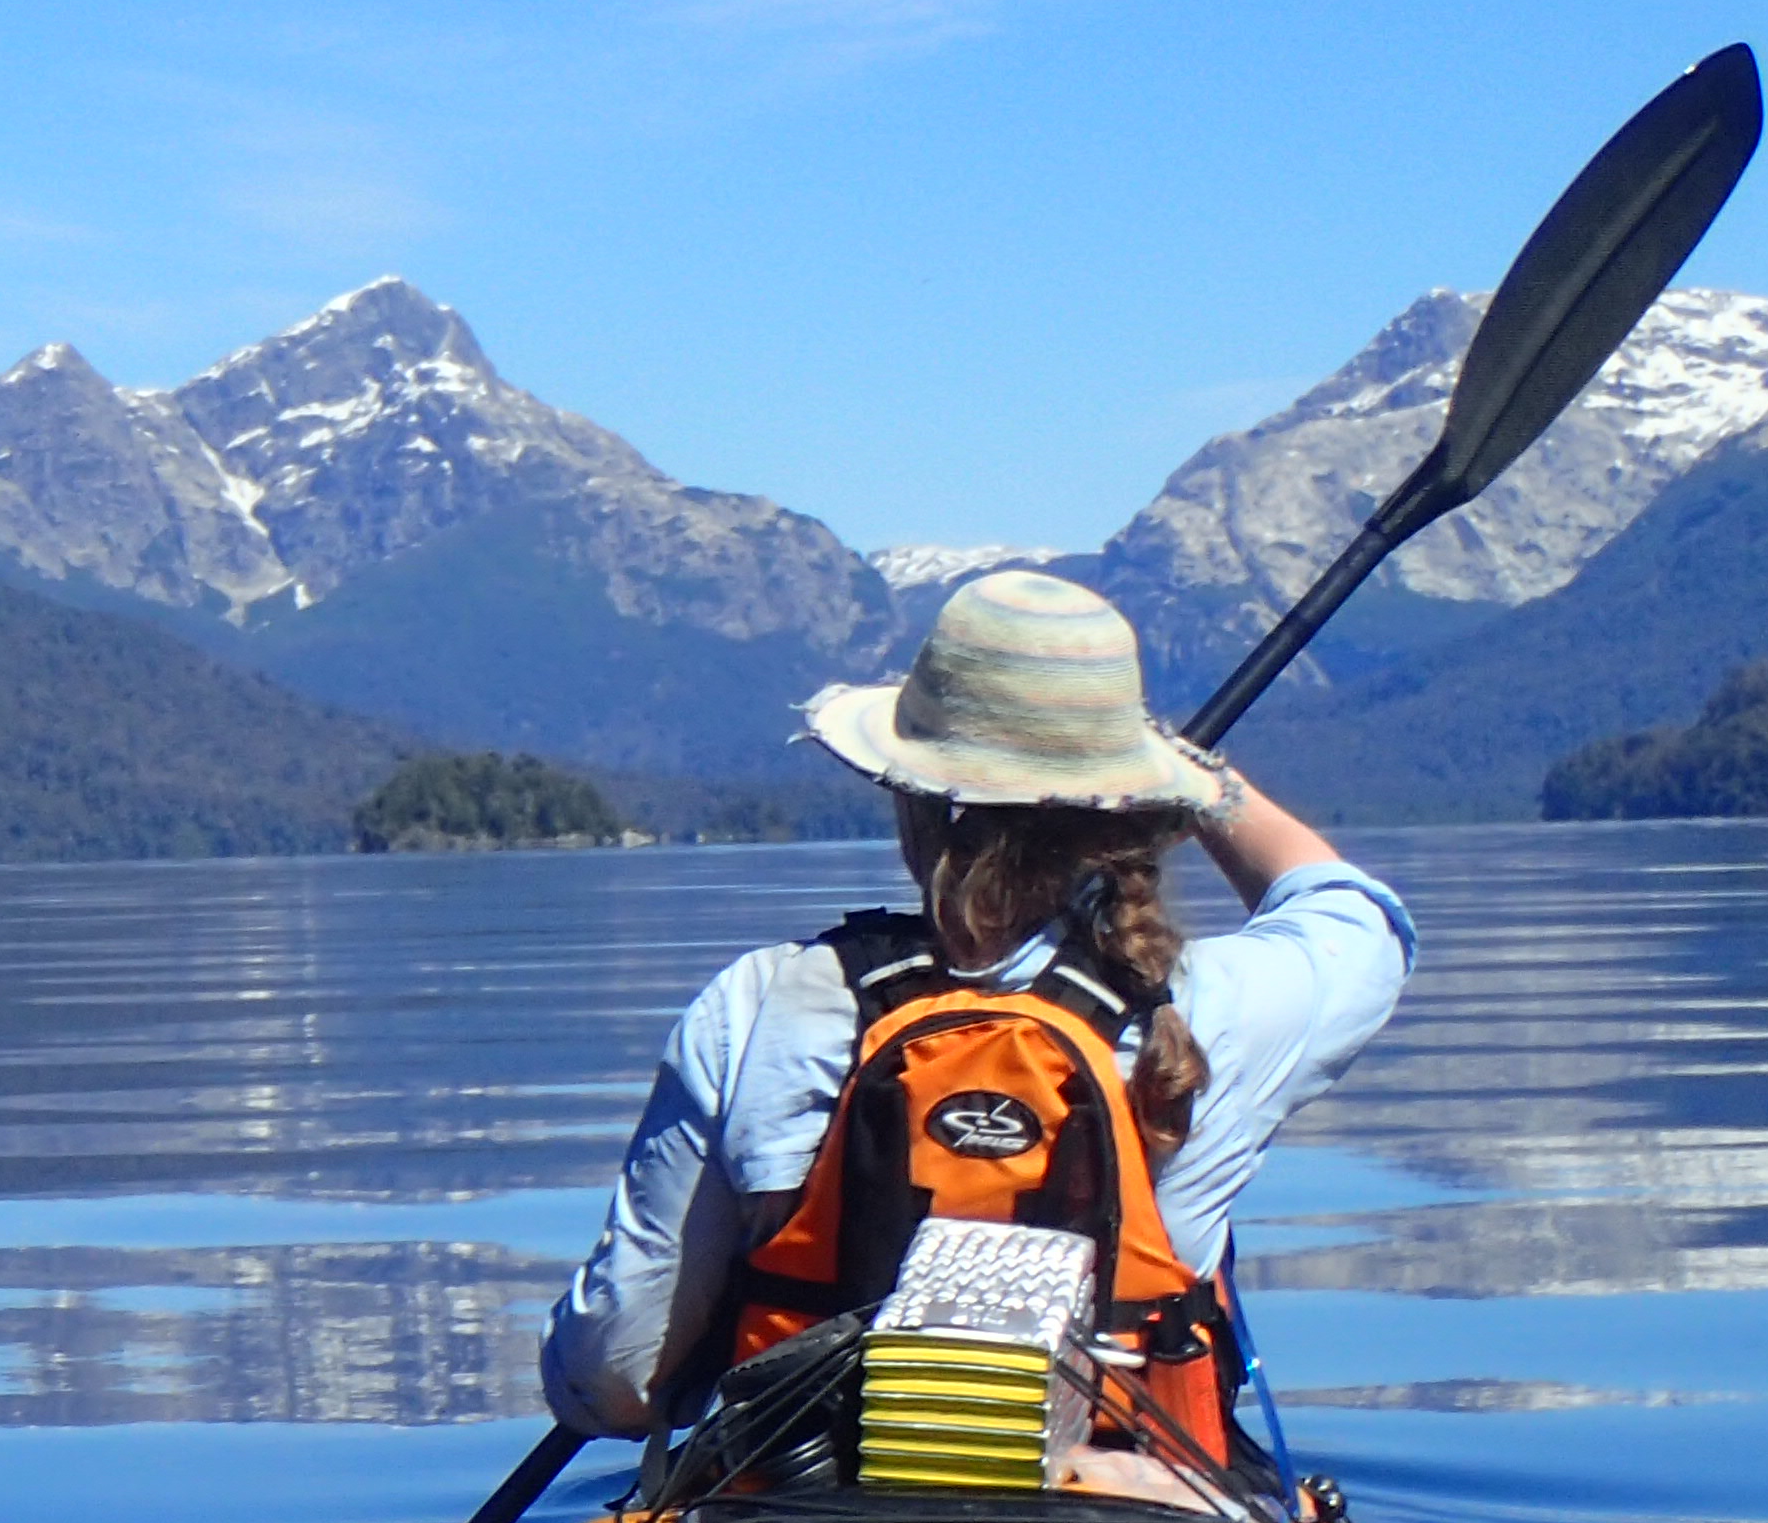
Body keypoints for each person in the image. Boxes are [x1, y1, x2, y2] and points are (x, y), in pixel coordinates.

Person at [540, 568, 1412, 1474]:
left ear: (911, 798)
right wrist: (1209, 784)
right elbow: (1356, 913)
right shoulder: (1223, 1007)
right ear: (1140, 809)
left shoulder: (762, 1003)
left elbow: (616, 1376)